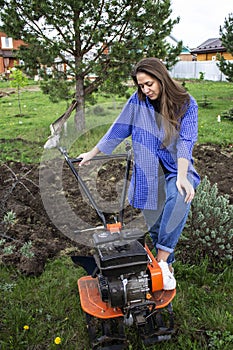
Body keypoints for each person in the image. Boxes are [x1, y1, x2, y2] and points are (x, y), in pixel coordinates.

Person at [77, 57, 200, 290]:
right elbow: (118, 130)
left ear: (161, 77)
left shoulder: (185, 103)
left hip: (176, 168)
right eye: (141, 85)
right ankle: (167, 267)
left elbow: (186, 141)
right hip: (147, 172)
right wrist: (91, 153)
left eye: (149, 84)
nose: (146, 89)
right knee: (154, 227)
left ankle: (161, 263)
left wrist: (183, 176)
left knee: (179, 195)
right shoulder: (138, 101)